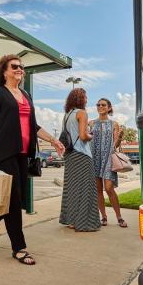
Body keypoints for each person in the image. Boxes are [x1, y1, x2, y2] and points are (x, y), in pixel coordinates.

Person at [0, 54, 64, 265]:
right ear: (4, 71)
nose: (19, 70)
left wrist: (53, 140)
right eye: (14, 66)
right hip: (2, 152)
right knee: (14, 201)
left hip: (23, 153)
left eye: (22, 67)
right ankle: (19, 248)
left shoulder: (26, 95)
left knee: (15, 197)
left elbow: (33, 125)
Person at [59, 88, 101, 232]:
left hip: (70, 155)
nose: (87, 99)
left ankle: (71, 221)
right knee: (86, 189)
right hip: (82, 155)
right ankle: (84, 222)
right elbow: (83, 136)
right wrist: (92, 135)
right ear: (81, 99)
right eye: (85, 97)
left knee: (72, 189)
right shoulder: (82, 113)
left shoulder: (67, 115)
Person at [90, 98, 127, 227]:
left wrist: (120, 137)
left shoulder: (114, 124)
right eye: (98, 104)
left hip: (108, 159)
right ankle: (104, 217)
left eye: (103, 105)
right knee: (98, 190)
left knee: (109, 188)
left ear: (109, 108)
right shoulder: (91, 123)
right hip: (94, 159)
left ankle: (119, 217)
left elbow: (115, 145)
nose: (100, 106)